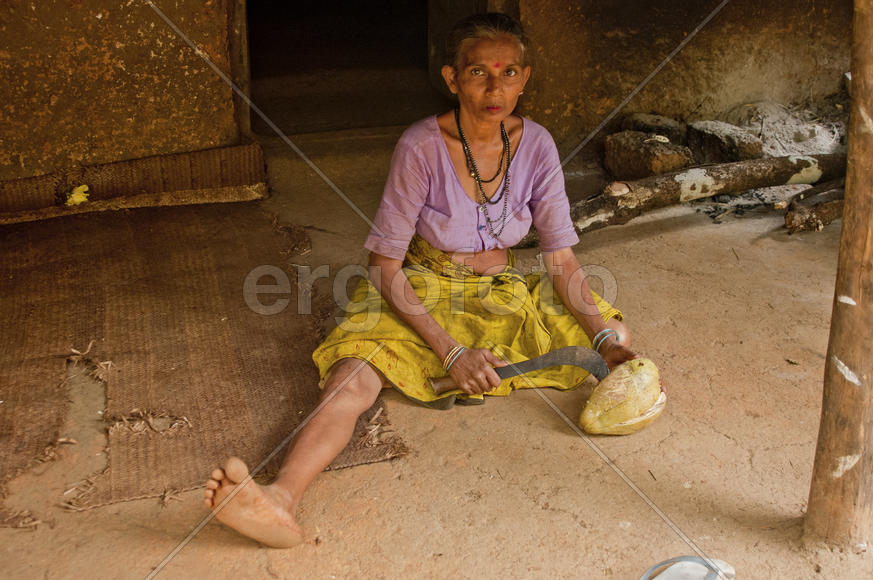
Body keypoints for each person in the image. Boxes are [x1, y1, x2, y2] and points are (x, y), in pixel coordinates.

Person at [204, 12, 639, 548]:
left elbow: (561, 260)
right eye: (478, 72)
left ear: (525, 78)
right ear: (452, 78)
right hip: (419, 285)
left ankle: (511, 358)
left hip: (500, 293)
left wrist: (600, 339)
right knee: (352, 376)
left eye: (508, 73)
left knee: (615, 338)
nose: (494, 87)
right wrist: (453, 352)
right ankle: (279, 499)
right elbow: (383, 267)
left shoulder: (539, 145)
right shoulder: (421, 146)